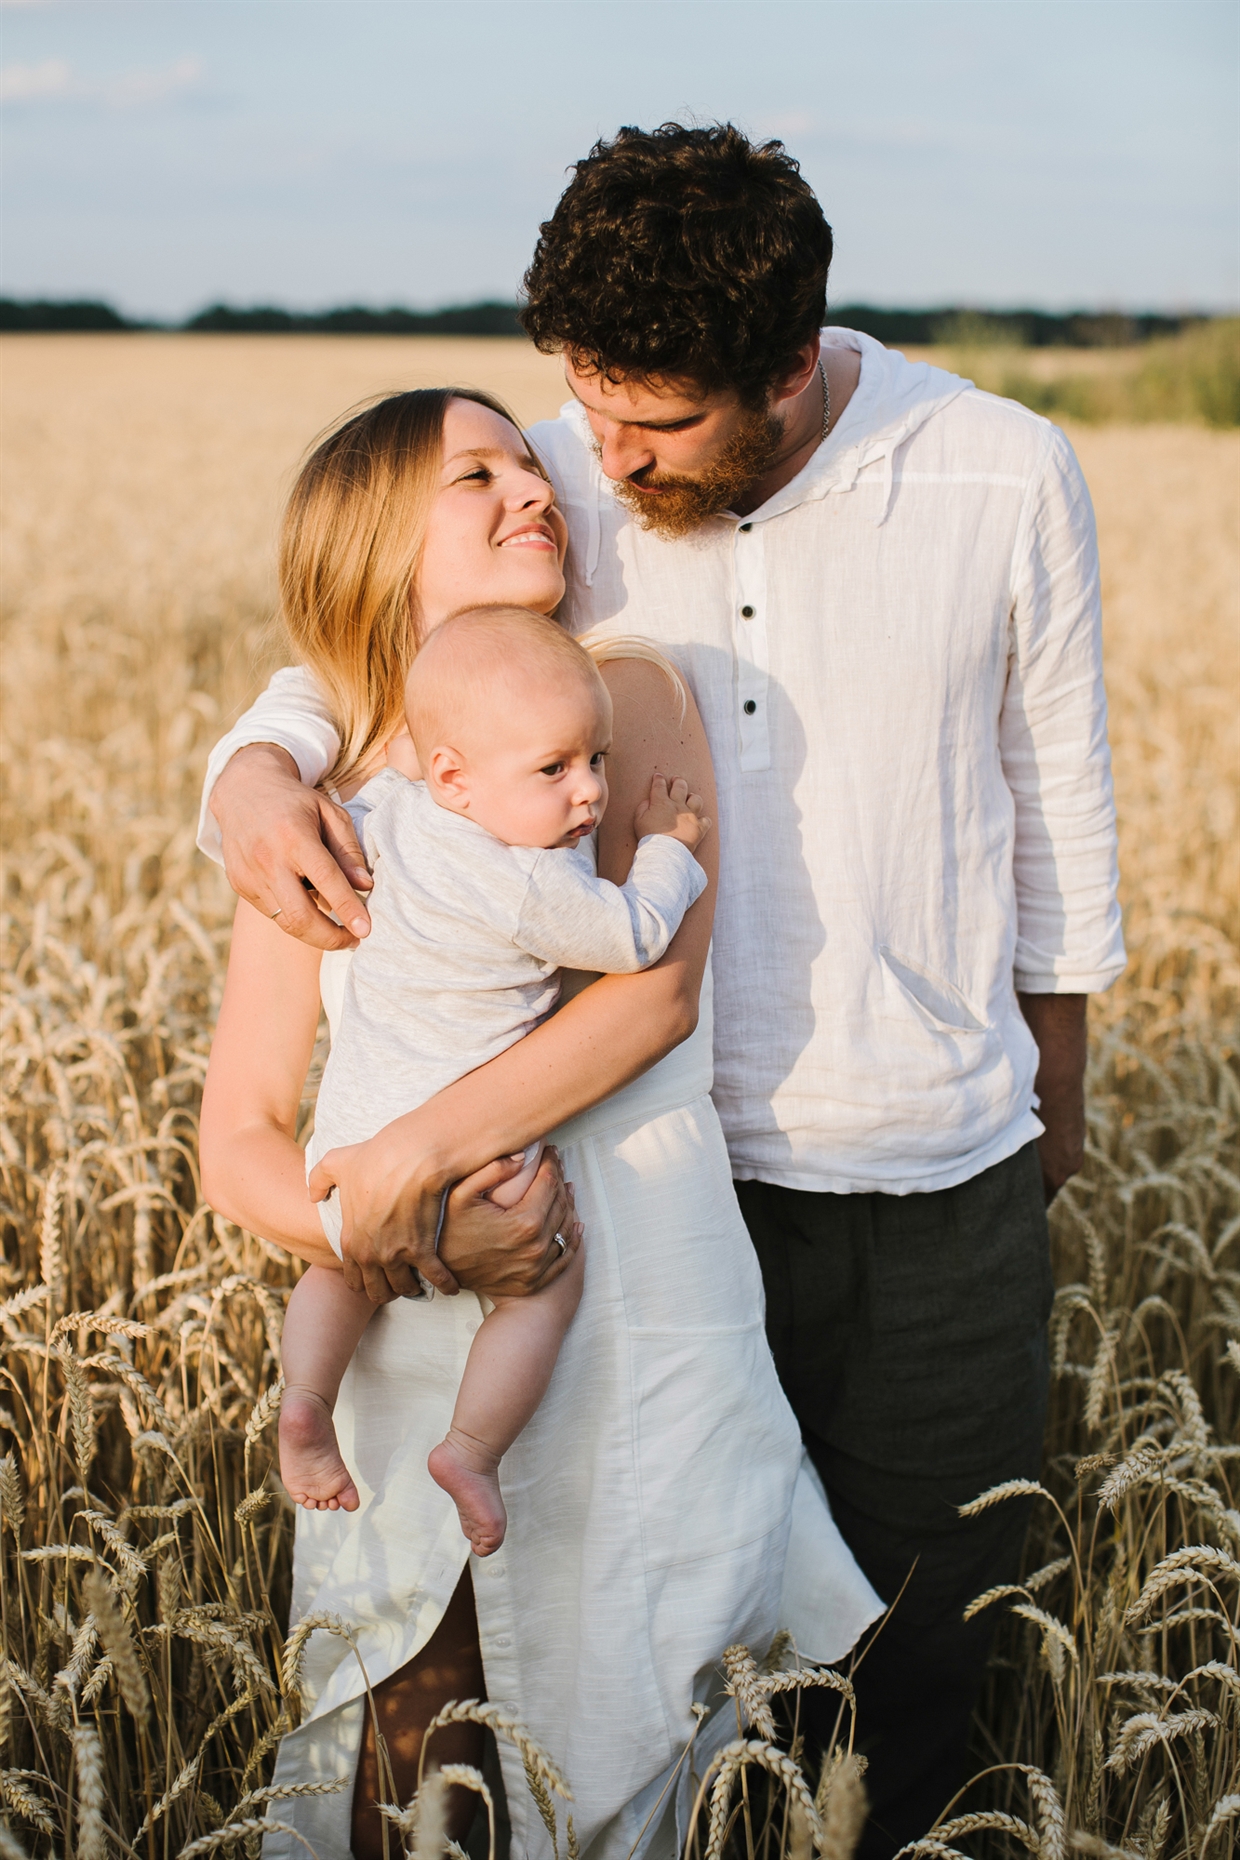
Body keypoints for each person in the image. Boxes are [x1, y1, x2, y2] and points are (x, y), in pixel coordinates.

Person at [204, 125, 1128, 1852]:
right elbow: (364, 647)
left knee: (903, 1675)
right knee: (546, 1682)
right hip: (636, 1213)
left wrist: (1047, 1120)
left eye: (649, 425)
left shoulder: (992, 472)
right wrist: (250, 775)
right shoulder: (553, 484)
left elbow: (1057, 817)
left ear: (783, 370)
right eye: (572, 408)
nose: (593, 462)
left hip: (916, 1176)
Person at [199, 384, 881, 1860]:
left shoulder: (619, 699)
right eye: (476, 474)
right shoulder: (318, 798)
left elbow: (649, 1000)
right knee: (412, 1729)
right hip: (399, 1328)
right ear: (373, 548)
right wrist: (367, 1222)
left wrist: (405, 1158)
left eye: (529, 459)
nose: (532, 488)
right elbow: (239, 1126)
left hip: (632, 1308)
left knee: (637, 1741)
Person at [281, 599, 712, 1562]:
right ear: (455, 777)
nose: (590, 793)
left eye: (596, 759)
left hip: (352, 1132)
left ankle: (305, 1404)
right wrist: (670, 850)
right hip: (472, 1146)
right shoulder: (531, 881)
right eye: (553, 770)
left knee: (334, 1270)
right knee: (545, 1284)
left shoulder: (392, 814)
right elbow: (636, 937)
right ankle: (472, 1452)